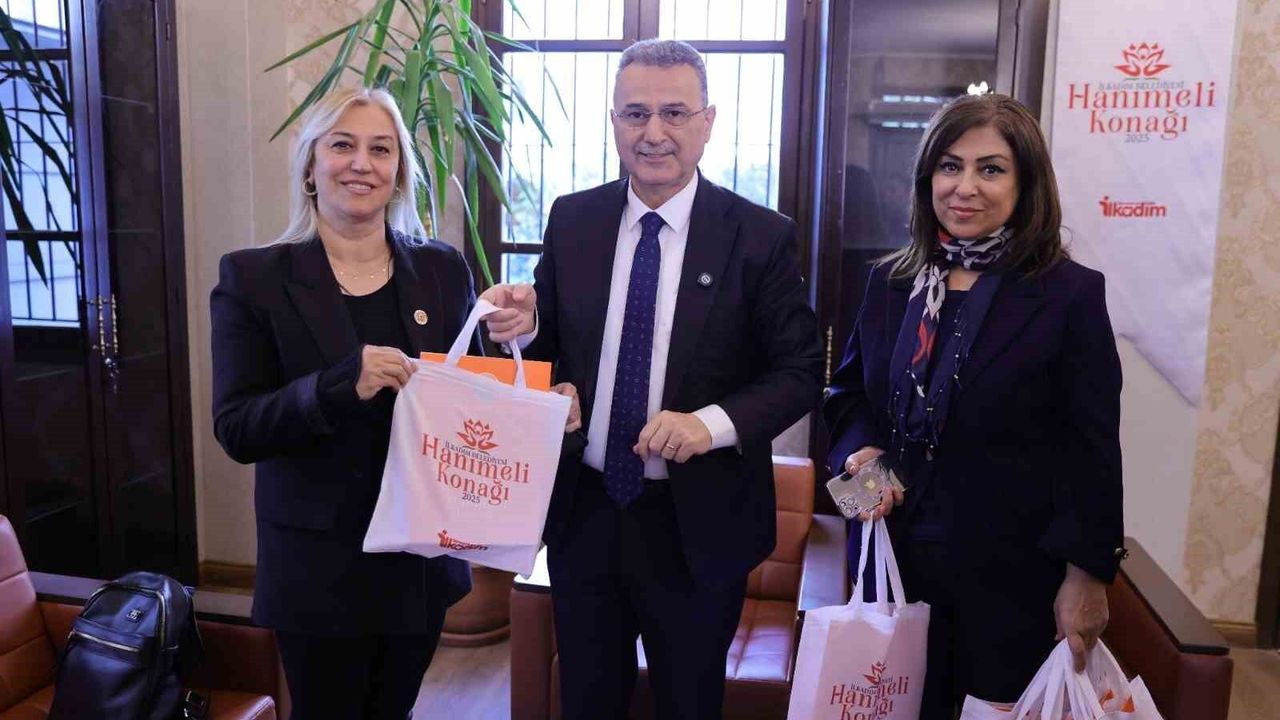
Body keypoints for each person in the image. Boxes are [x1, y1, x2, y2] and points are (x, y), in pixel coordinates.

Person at [210, 87, 578, 719]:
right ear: (311, 166)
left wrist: (545, 403)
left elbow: (472, 399)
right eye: (342, 145)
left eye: (381, 150)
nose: (362, 163)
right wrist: (337, 385)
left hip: (418, 566)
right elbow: (237, 428)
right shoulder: (254, 278)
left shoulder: (441, 269)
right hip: (317, 568)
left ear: (399, 172)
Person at [487, 39, 823, 719]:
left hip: (698, 524)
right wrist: (526, 332)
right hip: (586, 514)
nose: (654, 133)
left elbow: (800, 370)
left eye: (674, 113)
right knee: (586, 702)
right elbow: (550, 353)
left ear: (708, 121)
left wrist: (708, 425)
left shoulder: (759, 236)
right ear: (614, 121)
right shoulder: (573, 218)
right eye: (636, 114)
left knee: (688, 704)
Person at [824, 92, 1124, 717]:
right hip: (890, 564)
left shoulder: (1069, 295)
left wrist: (1088, 576)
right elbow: (848, 397)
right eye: (949, 166)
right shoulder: (891, 282)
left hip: (1009, 584)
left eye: (991, 169)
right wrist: (860, 459)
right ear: (927, 177)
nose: (965, 187)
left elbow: (1091, 447)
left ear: (1026, 183)